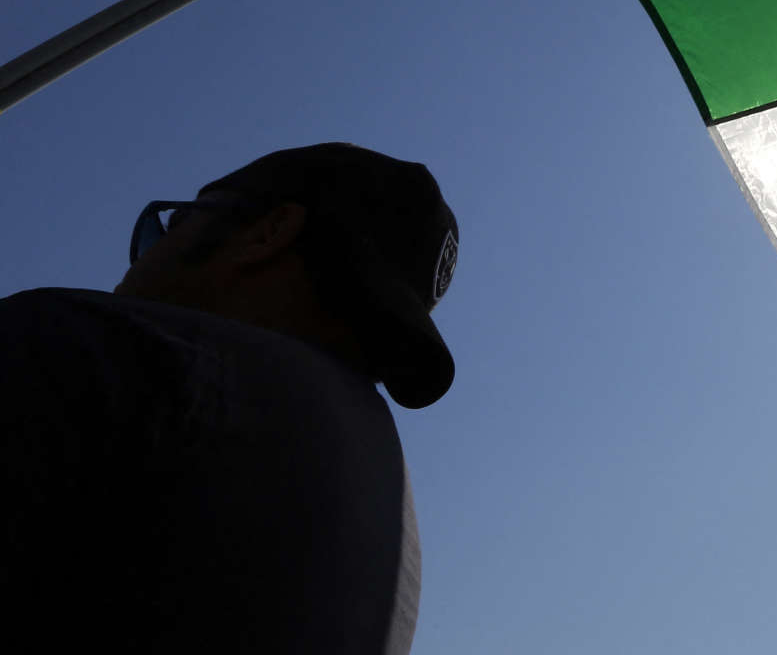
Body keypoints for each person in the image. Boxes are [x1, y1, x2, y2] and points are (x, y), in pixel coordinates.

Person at [0, 143, 459, 653]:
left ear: (267, 233)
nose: (141, 256)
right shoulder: (386, 536)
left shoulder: (91, 351)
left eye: (174, 224)